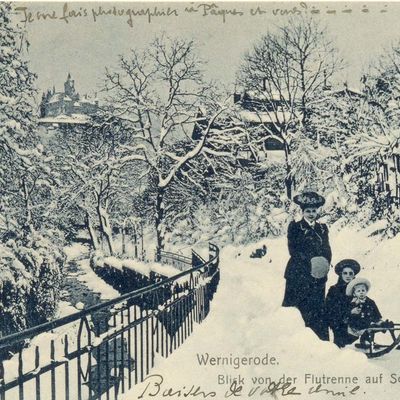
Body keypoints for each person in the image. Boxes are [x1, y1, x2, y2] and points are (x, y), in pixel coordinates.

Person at [282, 191, 332, 341]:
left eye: (314, 211)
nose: (311, 214)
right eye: (308, 211)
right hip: (298, 273)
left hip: (318, 275)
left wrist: (324, 264)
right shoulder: (295, 227)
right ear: (302, 212)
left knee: (317, 308)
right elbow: (294, 250)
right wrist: (311, 262)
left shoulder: (322, 228)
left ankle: (319, 341)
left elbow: (327, 249)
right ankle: (294, 341)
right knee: (298, 307)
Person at [325, 259, 360, 347]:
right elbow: (331, 309)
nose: (348, 276)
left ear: (354, 275)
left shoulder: (357, 289)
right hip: (339, 323)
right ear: (341, 274)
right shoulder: (334, 290)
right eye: (345, 273)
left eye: (350, 273)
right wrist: (349, 312)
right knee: (343, 345)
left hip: (355, 321)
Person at [345, 277, 383, 348]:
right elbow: (348, 313)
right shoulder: (353, 303)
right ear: (354, 293)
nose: (361, 292)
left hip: (369, 321)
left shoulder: (370, 302)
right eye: (358, 291)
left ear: (366, 291)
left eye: (363, 290)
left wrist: (378, 319)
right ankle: (365, 341)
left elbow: (375, 311)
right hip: (357, 324)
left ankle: (369, 340)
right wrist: (352, 312)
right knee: (368, 328)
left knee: (373, 326)